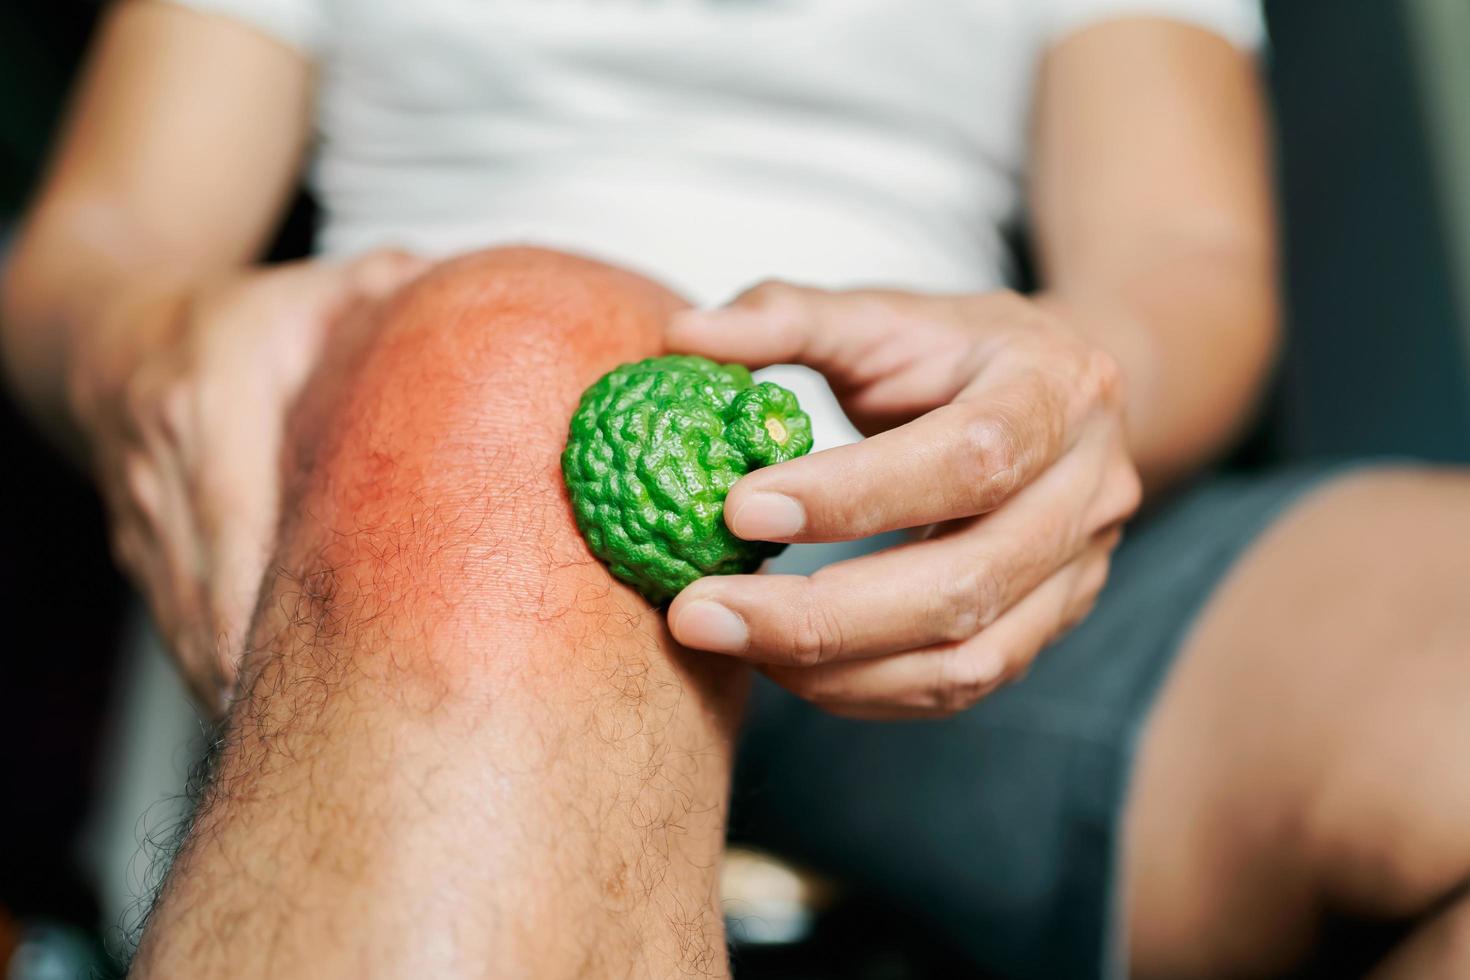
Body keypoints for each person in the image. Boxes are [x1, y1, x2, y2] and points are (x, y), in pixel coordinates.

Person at [0, 1, 1466, 977]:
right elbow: (100, 236)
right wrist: (144, 350)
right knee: (512, 350)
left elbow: (1185, 269)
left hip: (939, 583)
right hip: (435, 512)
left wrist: (1068, 390)